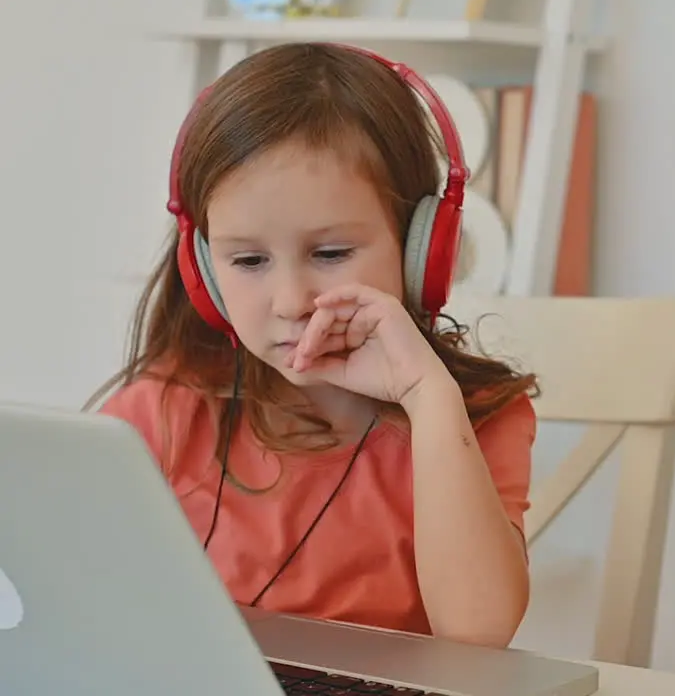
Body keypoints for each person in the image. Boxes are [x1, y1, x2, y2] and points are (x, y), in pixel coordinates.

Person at [88, 42, 537, 649]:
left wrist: (428, 398)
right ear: (203, 268)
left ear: (422, 252)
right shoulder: (157, 416)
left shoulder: (472, 416)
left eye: (330, 254)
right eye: (248, 260)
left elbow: (478, 634)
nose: (292, 300)